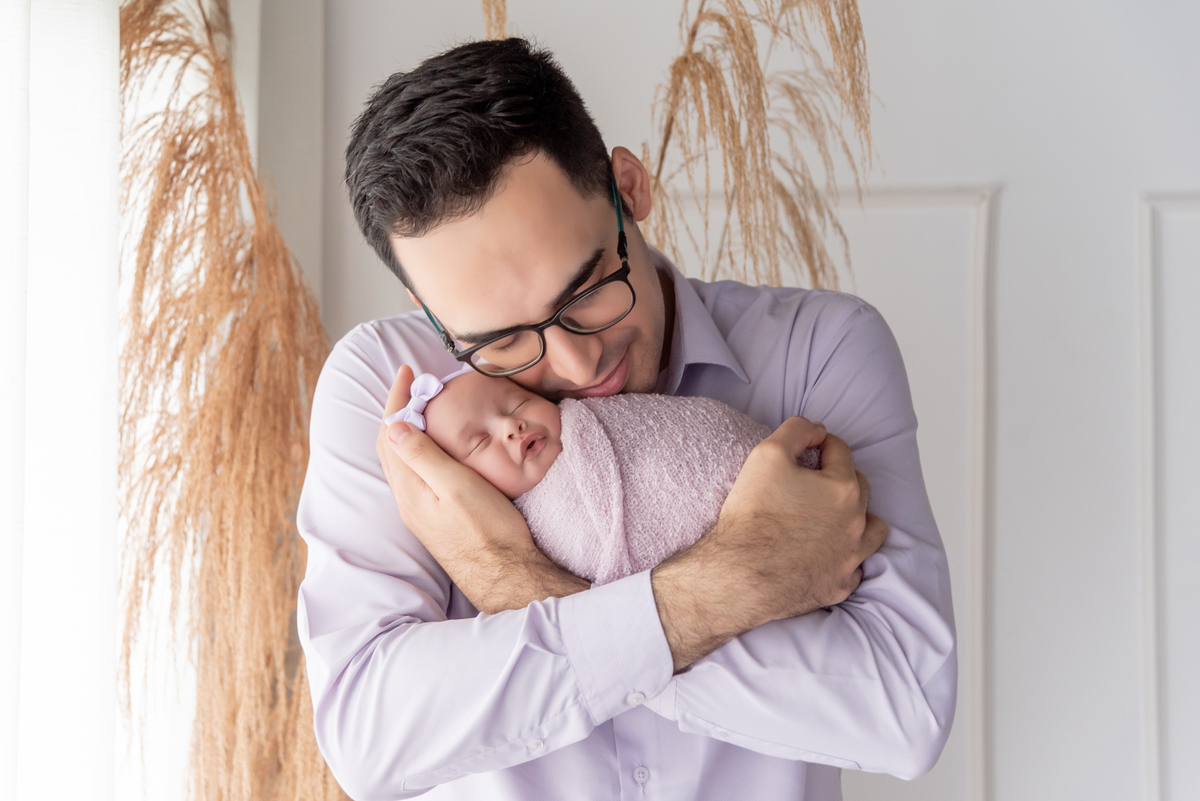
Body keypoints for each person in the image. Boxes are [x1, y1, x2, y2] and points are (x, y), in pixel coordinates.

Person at [297, 37, 956, 801]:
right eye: (499, 340)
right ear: (430, 312)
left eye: (585, 292)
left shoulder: (819, 351)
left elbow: (904, 708)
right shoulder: (390, 390)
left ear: (630, 189)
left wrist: (511, 581)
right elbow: (369, 737)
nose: (578, 365)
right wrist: (724, 589)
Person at [387, 365, 822, 586]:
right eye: (480, 442)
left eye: (516, 404)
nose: (510, 426)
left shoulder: (595, 417)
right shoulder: (529, 532)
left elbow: (677, 434)